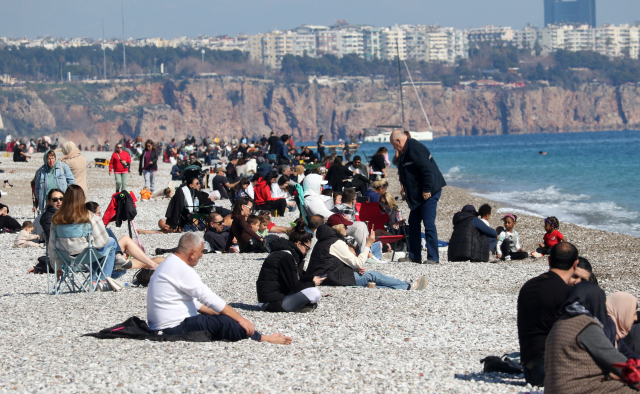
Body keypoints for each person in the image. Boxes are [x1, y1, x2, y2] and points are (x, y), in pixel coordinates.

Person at [147, 232, 292, 345]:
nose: (202, 255)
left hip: (161, 326)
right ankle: (262, 339)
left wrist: (223, 313)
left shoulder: (169, 263)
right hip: (173, 328)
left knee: (222, 317)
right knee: (227, 323)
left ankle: (257, 335)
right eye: (200, 252)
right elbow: (207, 297)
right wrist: (239, 318)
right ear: (192, 253)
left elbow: (190, 302)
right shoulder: (181, 269)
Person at [545, 282, 639, 392]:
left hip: (554, 388)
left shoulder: (559, 323)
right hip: (579, 388)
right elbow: (615, 361)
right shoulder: (586, 326)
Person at [517, 242, 580, 387]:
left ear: (549, 260)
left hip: (529, 368)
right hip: (551, 370)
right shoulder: (566, 293)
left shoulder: (528, 286)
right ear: (575, 264)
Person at [303, 224, 428, 290]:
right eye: (345, 226)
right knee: (372, 276)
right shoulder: (335, 242)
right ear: (338, 227)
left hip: (326, 276)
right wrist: (368, 244)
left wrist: (353, 269)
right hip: (332, 278)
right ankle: (408, 286)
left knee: (371, 281)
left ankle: (405, 286)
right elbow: (358, 262)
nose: (347, 228)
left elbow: (330, 263)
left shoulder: (324, 241)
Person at [48, 185, 119, 291]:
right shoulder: (89, 216)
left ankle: (96, 280)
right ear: (82, 198)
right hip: (86, 255)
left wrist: (57, 266)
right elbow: (102, 241)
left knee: (94, 246)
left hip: (66, 256)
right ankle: (102, 280)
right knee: (111, 242)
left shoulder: (57, 218)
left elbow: (52, 245)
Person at [391, 131, 446, 265]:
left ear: (399, 141)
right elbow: (404, 172)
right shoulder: (405, 152)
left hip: (429, 192)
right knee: (414, 223)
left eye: (394, 145)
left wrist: (426, 189)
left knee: (428, 223)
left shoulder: (415, 148)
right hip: (417, 196)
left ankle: (433, 257)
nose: (394, 148)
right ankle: (414, 256)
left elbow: (428, 170)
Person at [256, 229, 324, 313]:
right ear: (298, 244)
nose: (306, 252)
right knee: (315, 293)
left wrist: (310, 278)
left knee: (309, 291)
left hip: (268, 299)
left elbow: (295, 276)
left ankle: (300, 306)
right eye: (307, 249)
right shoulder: (286, 257)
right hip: (270, 303)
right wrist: (313, 283)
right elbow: (295, 286)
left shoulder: (282, 252)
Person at [85, 201, 161, 270]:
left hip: (91, 256)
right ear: (92, 214)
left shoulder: (83, 226)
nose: (100, 216)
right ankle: (153, 264)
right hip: (97, 257)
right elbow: (100, 244)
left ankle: (153, 263)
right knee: (125, 240)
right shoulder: (94, 226)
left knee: (140, 261)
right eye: (98, 213)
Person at [605, 292, 640, 359]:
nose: (635, 318)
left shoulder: (617, 334)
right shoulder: (606, 329)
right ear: (623, 312)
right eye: (633, 313)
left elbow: (629, 355)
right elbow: (610, 359)